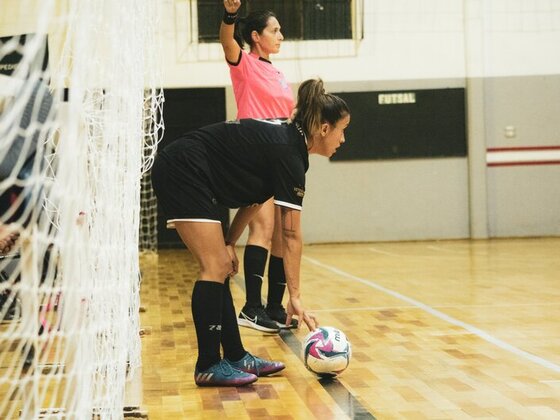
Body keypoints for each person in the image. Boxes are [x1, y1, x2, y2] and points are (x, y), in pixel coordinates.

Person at [151, 78, 350, 387]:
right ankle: (207, 364)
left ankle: (234, 355)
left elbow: (254, 200)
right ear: (324, 128)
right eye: (342, 130)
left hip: (194, 172)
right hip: (183, 169)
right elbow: (291, 235)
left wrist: (230, 242)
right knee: (213, 266)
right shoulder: (289, 152)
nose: (343, 138)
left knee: (223, 265)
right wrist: (294, 296)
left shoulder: (291, 147)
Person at [220, 0, 297, 333]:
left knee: (280, 232)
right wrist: (229, 15)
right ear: (255, 36)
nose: (280, 35)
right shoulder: (245, 65)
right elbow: (226, 41)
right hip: (256, 152)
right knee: (263, 228)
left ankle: (274, 307)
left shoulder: (277, 72)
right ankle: (251, 308)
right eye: (274, 30)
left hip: (281, 154)